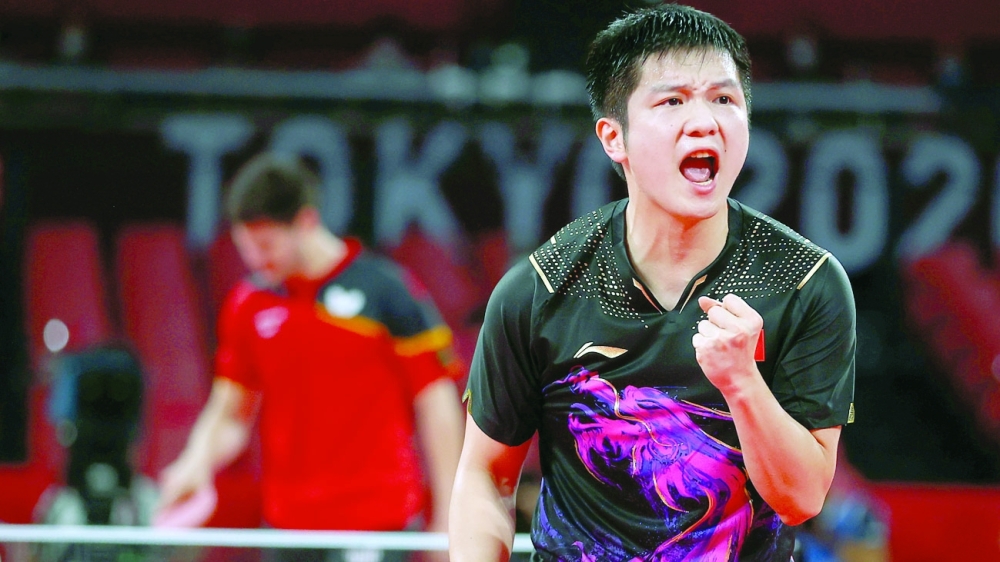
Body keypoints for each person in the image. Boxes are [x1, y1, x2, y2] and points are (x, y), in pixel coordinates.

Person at [449, 4, 856, 562]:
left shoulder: (807, 282)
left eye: (724, 99)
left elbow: (801, 498)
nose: (704, 121)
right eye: (672, 101)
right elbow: (485, 477)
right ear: (614, 137)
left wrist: (741, 382)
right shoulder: (540, 288)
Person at [156, 153, 465, 561]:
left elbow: (437, 405)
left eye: (265, 245)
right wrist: (195, 462)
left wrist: (449, 515)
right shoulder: (248, 304)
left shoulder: (387, 290)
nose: (254, 260)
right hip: (286, 526)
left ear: (305, 222)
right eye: (244, 248)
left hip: (376, 520)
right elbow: (230, 414)